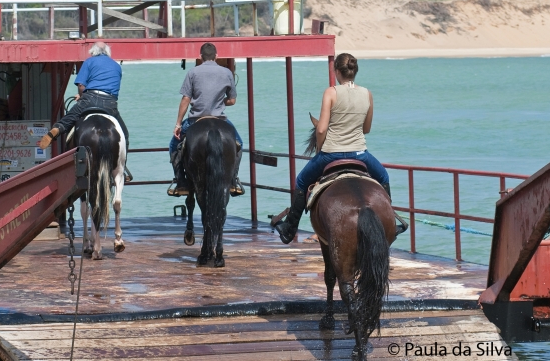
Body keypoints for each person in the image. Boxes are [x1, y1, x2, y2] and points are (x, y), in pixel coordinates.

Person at [273, 53, 406, 244]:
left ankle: (289, 228)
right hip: (360, 154)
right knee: (383, 177)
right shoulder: (367, 94)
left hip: (331, 154)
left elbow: (321, 128)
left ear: (337, 71)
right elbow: (366, 129)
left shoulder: (331, 92)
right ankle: (391, 224)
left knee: (301, 181)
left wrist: (320, 148)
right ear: (355, 72)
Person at [167, 42, 243, 197]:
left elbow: (186, 99)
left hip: (196, 120)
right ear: (216, 56)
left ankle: (181, 181)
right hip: (220, 119)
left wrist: (178, 124)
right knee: (239, 144)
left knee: (174, 145)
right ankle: (233, 180)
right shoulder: (227, 72)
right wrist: (219, 101)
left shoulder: (193, 72)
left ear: (200, 57)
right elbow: (232, 101)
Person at [40, 42, 129, 150]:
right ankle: (123, 162)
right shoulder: (116, 66)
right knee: (124, 134)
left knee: (68, 120)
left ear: (93, 52)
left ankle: (55, 130)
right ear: (108, 52)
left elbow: (81, 85)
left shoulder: (89, 62)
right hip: (109, 103)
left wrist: (82, 96)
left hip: (89, 99)